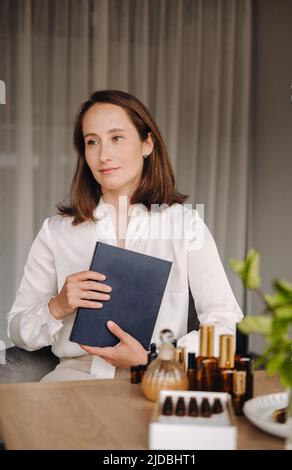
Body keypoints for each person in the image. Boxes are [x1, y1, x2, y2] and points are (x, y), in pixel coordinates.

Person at [7, 90, 243, 381]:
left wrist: (154, 359)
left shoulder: (185, 225)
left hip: (159, 376)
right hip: (75, 377)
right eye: (92, 142)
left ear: (147, 143)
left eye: (117, 138)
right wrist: (58, 305)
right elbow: (17, 330)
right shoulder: (57, 231)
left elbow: (224, 323)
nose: (104, 155)